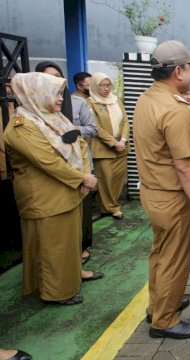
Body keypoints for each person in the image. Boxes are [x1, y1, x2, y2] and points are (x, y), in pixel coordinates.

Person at [133, 40, 190, 339]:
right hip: (173, 197)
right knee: (175, 260)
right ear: (178, 71)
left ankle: (159, 305)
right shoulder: (174, 109)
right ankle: (165, 319)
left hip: (152, 191)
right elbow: (186, 166)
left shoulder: (148, 98)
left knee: (161, 254)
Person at [4, 72, 100, 305]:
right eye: (55, 93)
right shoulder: (22, 126)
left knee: (69, 242)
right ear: (36, 93)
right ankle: (56, 292)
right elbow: (48, 162)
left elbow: (80, 142)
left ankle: (74, 275)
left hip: (69, 192)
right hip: (46, 198)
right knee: (53, 248)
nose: (60, 99)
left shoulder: (52, 118)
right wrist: (82, 178)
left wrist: (85, 174)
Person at [86, 72, 128, 220]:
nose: (106, 88)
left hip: (121, 148)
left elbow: (125, 122)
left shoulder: (117, 101)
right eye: (102, 85)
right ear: (95, 87)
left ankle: (112, 204)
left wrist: (122, 140)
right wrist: (113, 142)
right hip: (103, 149)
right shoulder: (90, 103)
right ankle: (110, 208)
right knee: (106, 180)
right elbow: (96, 127)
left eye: (108, 85)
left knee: (118, 179)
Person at [70, 71, 98, 264]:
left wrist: (73, 129)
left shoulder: (79, 105)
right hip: (63, 171)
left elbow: (91, 129)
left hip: (82, 164)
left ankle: (83, 247)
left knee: (84, 209)